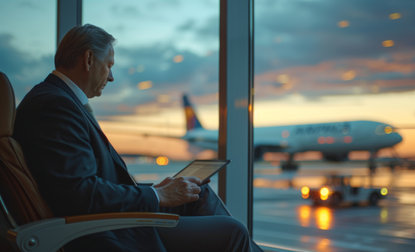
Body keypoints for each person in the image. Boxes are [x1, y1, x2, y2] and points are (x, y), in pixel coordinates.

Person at [13, 24, 262, 252]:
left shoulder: (57, 100)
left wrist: (159, 190)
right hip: (105, 233)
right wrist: (157, 196)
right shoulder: (54, 106)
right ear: (89, 59)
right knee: (233, 231)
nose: (111, 77)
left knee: (197, 191)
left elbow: (82, 185)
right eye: (109, 65)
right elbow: (79, 194)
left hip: (108, 220)